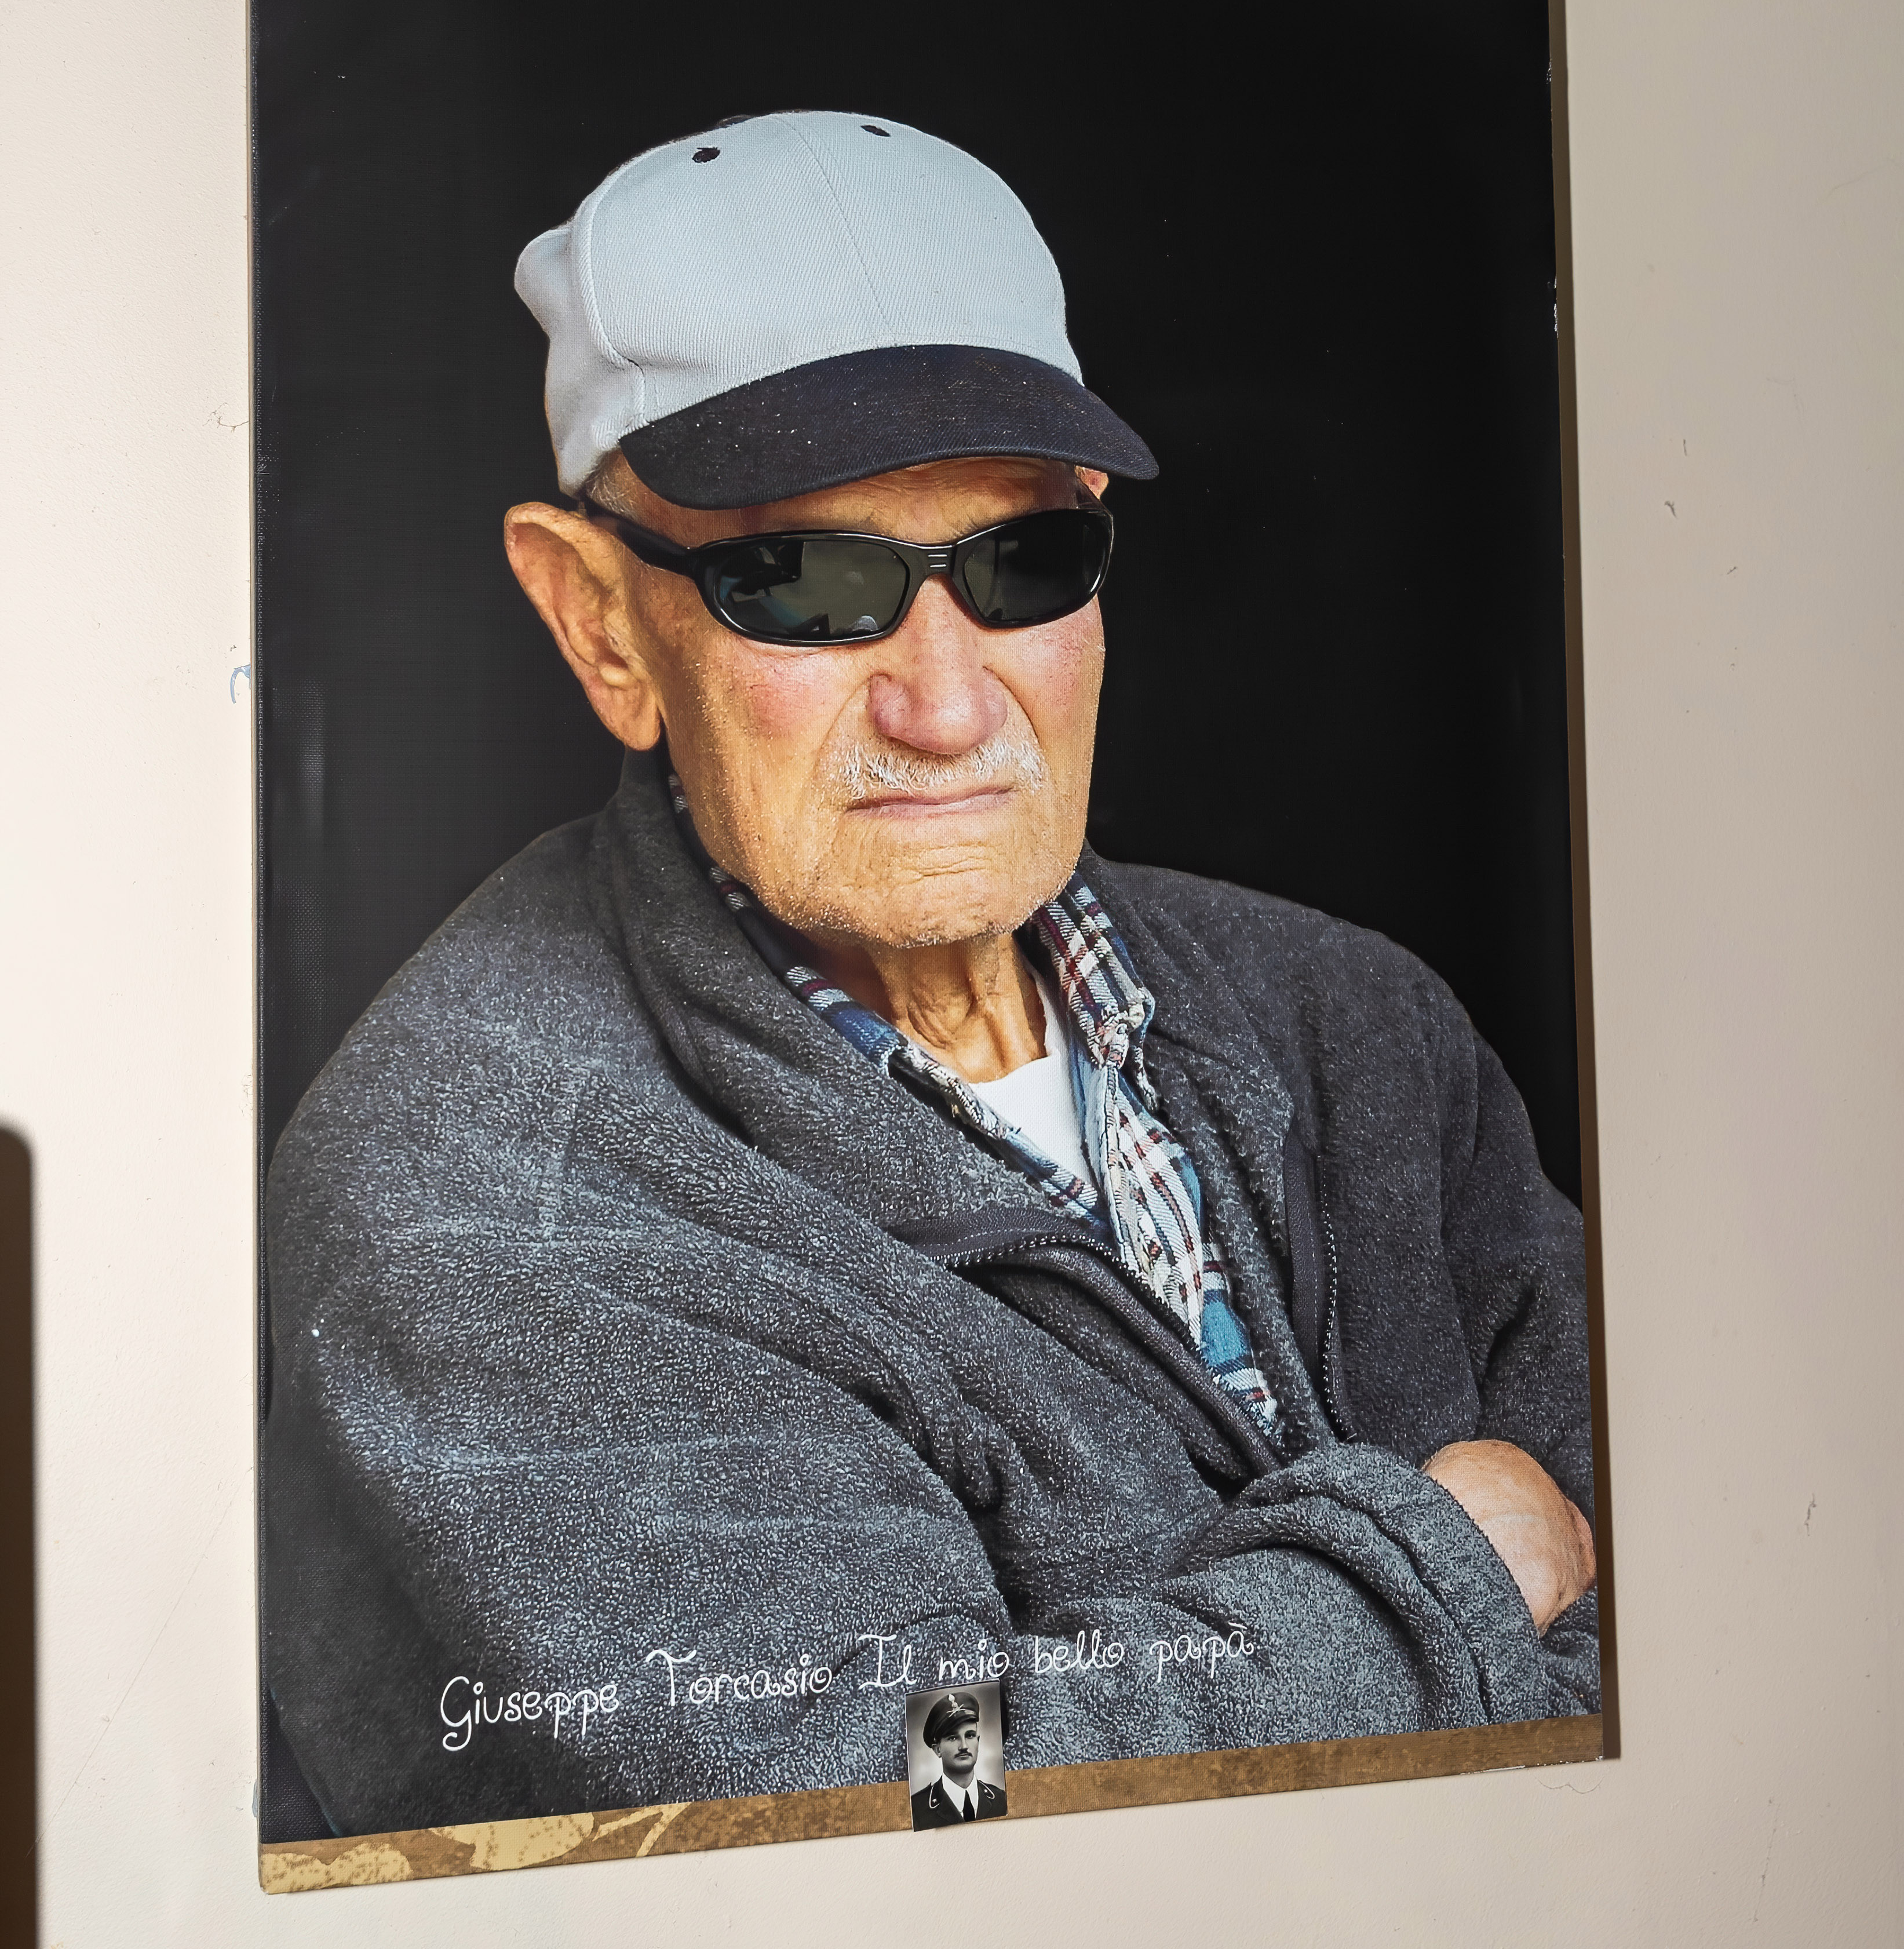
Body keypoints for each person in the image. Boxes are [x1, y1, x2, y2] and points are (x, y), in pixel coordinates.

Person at [262, 111, 1597, 1843]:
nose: (947, 705)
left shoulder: (1357, 1026)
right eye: (807, 587)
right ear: (600, 621)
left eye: (1022, 563)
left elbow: (1727, 1578)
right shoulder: (477, 1219)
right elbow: (867, 1801)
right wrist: (1445, 1579)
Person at [911, 1693, 1007, 1828]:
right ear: (938, 1750)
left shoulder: (1001, 1800)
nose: (964, 1746)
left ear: (978, 1741)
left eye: (970, 1736)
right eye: (953, 1738)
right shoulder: (916, 1809)